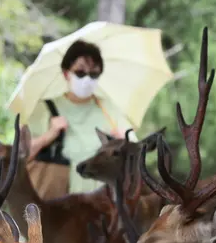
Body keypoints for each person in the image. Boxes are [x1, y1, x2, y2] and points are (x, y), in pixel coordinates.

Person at [27, 39, 135, 196]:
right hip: (60, 201)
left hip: (104, 203)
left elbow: (136, 150)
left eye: (94, 74)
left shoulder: (108, 108)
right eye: (80, 72)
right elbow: (21, 155)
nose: (87, 79)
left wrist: (124, 142)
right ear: (66, 73)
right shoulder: (46, 108)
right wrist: (48, 136)